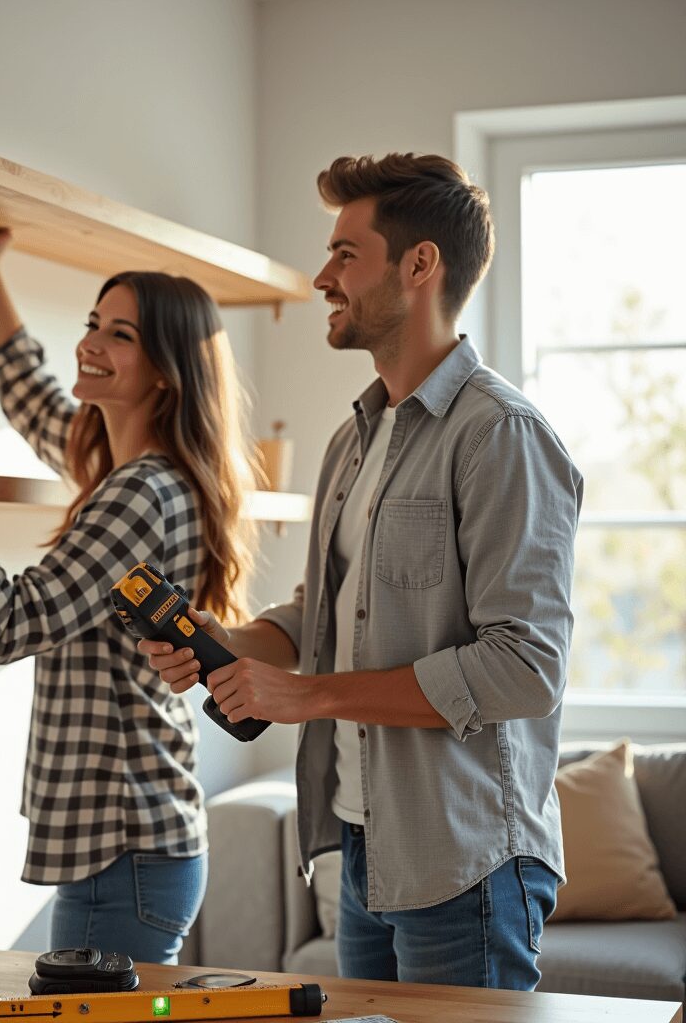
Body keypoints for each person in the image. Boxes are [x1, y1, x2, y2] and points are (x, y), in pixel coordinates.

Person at [139, 154, 584, 989]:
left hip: (466, 863)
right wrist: (231, 642)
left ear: (420, 265)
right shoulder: (354, 440)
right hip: (358, 843)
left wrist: (307, 695)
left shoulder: (502, 436)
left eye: (346, 253)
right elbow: (330, 609)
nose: (321, 277)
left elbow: (526, 668)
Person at [0, 228, 256, 963]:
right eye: (91, 323)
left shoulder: (139, 492)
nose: (92, 343)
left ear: (167, 372)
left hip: (123, 849)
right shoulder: (118, 462)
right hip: (134, 846)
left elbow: (4, 627)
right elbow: (30, 397)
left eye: (121, 335)